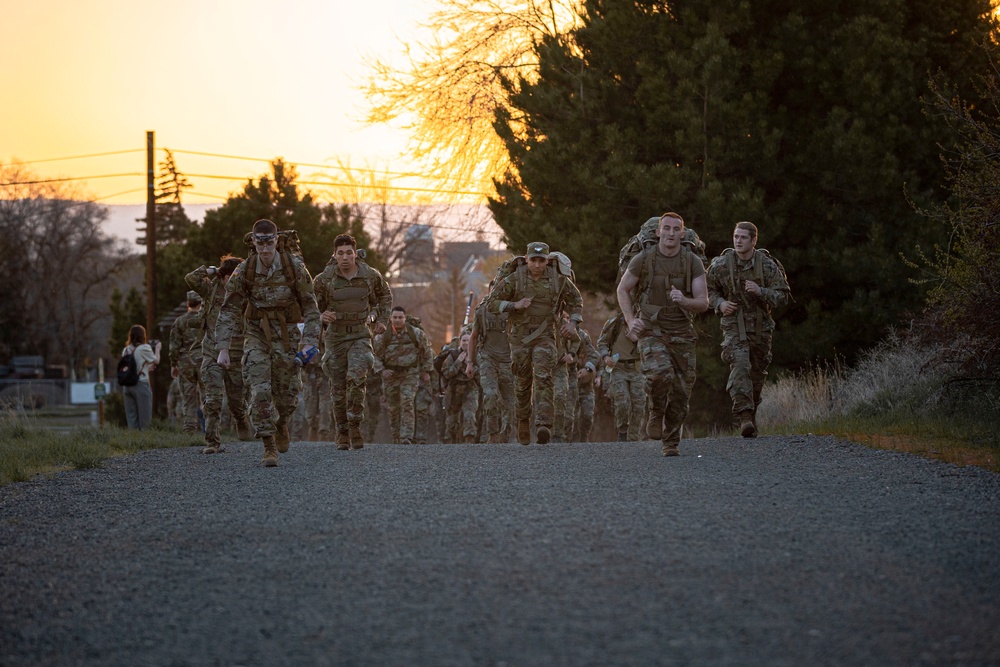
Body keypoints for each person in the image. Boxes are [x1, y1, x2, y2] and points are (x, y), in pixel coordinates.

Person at [215, 219, 321, 467]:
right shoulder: (245, 271)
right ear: (253, 242)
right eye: (259, 243)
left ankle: (281, 423)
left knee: (287, 397)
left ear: (276, 241)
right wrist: (223, 347)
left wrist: (309, 342)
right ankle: (268, 446)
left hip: (287, 335)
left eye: (269, 242)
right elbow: (229, 310)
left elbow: (311, 307)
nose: (264, 248)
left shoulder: (293, 267)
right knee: (259, 389)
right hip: (257, 334)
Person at [617, 212, 708, 456]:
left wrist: (684, 301)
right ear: (658, 232)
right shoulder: (643, 259)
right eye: (665, 228)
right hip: (651, 330)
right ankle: (655, 410)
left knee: (681, 392)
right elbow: (623, 289)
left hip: (681, 331)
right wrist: (631, 320)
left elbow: (703, 302)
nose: (670, 233)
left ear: (682, 233)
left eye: (675, 229)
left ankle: (670, 442)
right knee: (659, 374)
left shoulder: (692, 262)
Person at [482, 242, 584, 445]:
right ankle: (522, 419)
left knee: (543, 374)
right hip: (519, 338)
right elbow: (491, 303)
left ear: (548, 260)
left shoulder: (558, 280)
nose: (537, 265)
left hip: (546, 335)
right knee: (522, 383)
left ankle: (543, 424)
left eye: (542, 260)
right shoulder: (515, 280)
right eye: (533, 260)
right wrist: (514, 305)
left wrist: (573, 323)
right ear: (527, 259)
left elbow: (576, 300)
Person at [706, 221, 791, 437]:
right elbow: (707, 291)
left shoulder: (767, 265)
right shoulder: (722, 265)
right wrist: (720, 304)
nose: (738, 241)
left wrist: (761, 291)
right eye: (736, 236)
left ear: (754, 241)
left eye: (743, 237)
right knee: (740, 364)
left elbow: (782, 295)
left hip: (761, 328)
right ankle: (743, 416)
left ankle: (751, 415)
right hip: (734, 325)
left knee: (757, 375)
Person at [313, 233, 392, 450]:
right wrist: (321, 315)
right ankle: (342, 432)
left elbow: (385, 295)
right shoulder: (324, 279)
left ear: (355, 254)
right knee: (337, 387)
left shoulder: (370, 275)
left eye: (349, 253)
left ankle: (355, 424)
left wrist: (382, 320)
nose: (345, 257)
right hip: (335, 337)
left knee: (357, 377)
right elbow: (309, 304)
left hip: (359, 334)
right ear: (335, 255)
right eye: (341, 253)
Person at [187, 256, 252, 454]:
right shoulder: (211, 290)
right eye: (228, 277)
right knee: (213, 398)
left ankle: (241, 420)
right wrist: (212, 270)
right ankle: (212, 442)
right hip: (212, 351)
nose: (232, 281)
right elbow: (191, 278)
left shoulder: (244, 294)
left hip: (236, 352)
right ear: (223, 277)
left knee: (236, 401)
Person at [373, 306, 434, 444]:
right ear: (391, 319)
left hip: (410, 374)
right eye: (395, 317)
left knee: (407, 402)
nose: (398, 320)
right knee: (393, 407)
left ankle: (406, 437)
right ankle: (396, 436)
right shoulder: (383, 336)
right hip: (391, 375)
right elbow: (375, 356)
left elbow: (427, 352)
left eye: (400, 317)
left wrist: (426, 371)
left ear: (405, 318)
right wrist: (382, 370)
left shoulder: (416, 334)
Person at [466, 279, 515, 443]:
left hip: (509, 360)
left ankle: (506, 435)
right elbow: (473, 337)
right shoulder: (482, 310)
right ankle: (493, 433)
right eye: (493, 292)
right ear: (489, 293)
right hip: (488, 358)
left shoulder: (512, 310)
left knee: (511, 402)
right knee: (490, 395)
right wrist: (469, 363)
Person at [596, 313, 646, 441]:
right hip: (618, 369)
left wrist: (636, 340)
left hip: (637, 369)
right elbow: (601, 343)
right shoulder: (614, 323)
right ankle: (622, 431)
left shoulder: (644, 324)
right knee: (622, 401)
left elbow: (651, 346)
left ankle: (634, 437)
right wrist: (605, 356)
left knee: (639, 404)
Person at [169, 290, 205, 435]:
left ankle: (190, 430)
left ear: (188, 303)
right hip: (204, 360)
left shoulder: (180, 321)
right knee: (207, 396)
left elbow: (174, 346)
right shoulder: (205, 319)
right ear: (200, 303)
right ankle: (211, 429)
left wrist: (173, 364)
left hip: (185, 362)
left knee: (188, 398)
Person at [121, 324, 161, 430]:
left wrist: (147, 368)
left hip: (127, 386)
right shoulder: (144, 348)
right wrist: (157, 349)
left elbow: (131, 368)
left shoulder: (126, 350)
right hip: (141, 384)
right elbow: (156, 360)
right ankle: (145, 444)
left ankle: (133, 442)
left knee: (131, 418)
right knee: (145, 419)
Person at [444, 330, 480, 443]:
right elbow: (447, 373)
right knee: (452, 421)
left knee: (470, 415)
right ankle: (453, 442)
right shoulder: (452, 355)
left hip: (470, 389)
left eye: (468, 340)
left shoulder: (476, 355)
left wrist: (469, 365)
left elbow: (481, 373)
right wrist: (458, 362)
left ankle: (469, 439)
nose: (465, 343)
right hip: (454, 391)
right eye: (464, 340)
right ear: (460, 342)